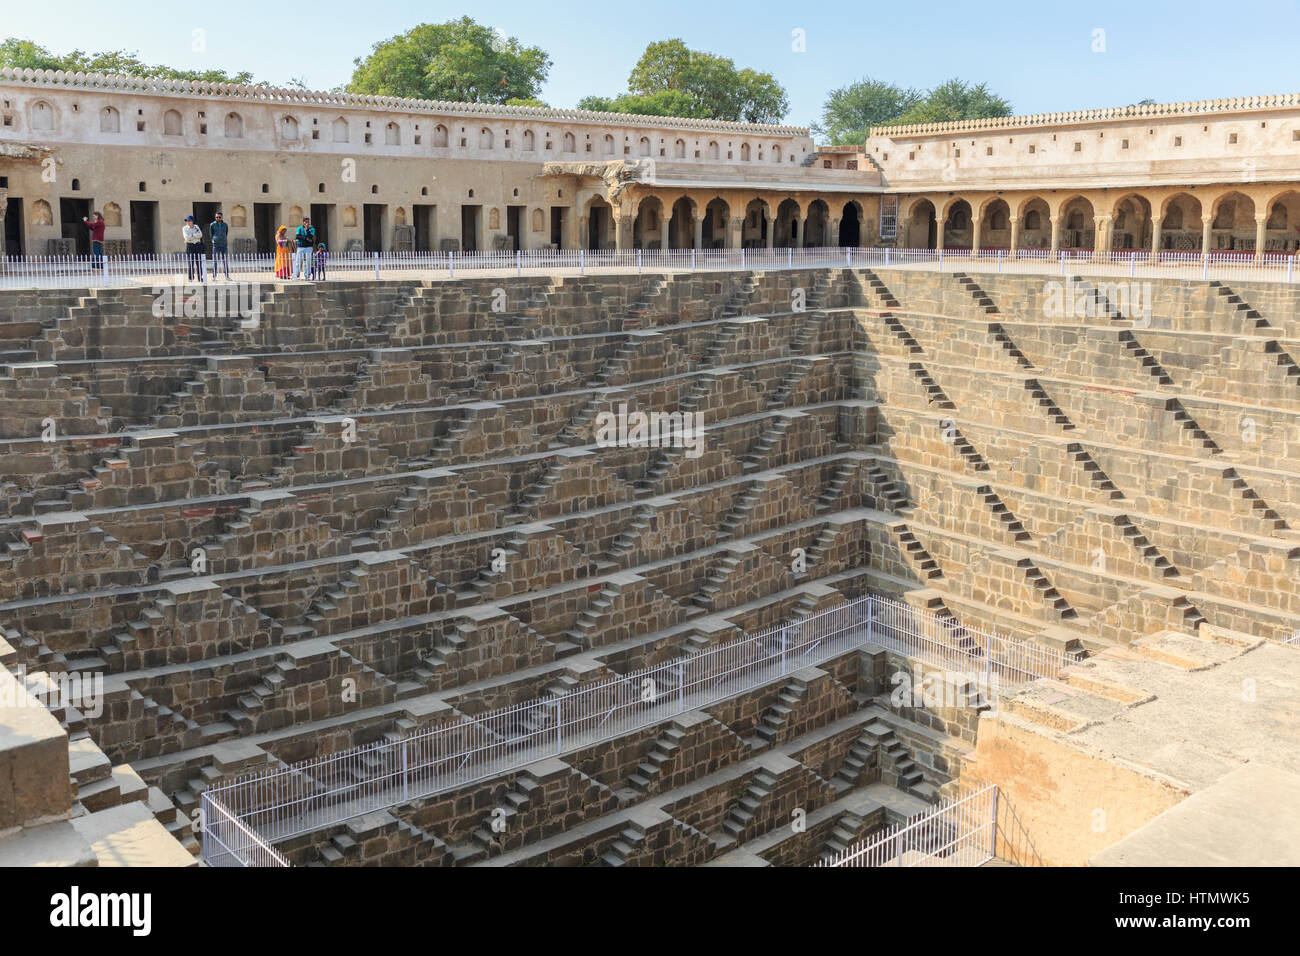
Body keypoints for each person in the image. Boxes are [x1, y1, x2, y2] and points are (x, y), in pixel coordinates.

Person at [182, 215, 205, 282]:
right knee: (190, 262)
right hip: (190, 246)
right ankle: (190, 278)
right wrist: (195, 235)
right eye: (186, 221)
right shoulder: (185, 228)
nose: (188, 222)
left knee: (199, 262)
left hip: (197, 245)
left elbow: (200, 235)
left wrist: (192, 235)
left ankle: (200, 277)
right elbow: (186, 238)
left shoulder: (196, 227)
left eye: (189, 221)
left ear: (192, 221)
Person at [208, 211, 231, 280]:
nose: (218, 218)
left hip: (224, 245)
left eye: (219, 217)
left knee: (225, 261)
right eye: (216, 217)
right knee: (215, 261)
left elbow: (226, 232)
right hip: (216, 245)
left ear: (222, 217)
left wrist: (223, 239)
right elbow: (210, 234)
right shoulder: (212, 225)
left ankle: (227, 276)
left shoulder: (225, 225)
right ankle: (214, 276)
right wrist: (213, 240)